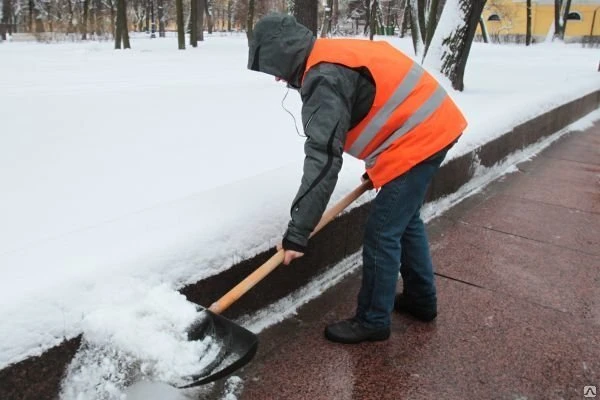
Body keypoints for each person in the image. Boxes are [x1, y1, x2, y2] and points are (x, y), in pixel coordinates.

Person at [247, 13, 467, 344]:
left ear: (284, 52)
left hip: (419, 138)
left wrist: (298, 233)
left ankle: (373, 320)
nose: (278, 78)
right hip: (432, 126)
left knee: (382, 232)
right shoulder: (330, 55)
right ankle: (421, 302)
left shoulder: (324, 76)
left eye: (274, 66)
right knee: (405, 223)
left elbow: (323, 158)